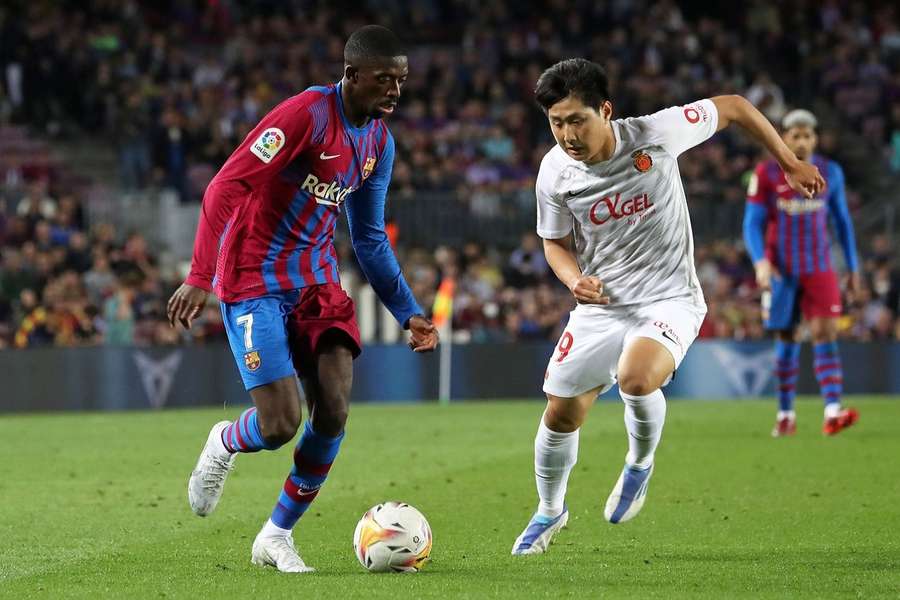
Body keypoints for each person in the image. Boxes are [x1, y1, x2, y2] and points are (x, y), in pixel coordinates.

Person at [511, 58, 824, 555]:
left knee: (636, 377)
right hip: (603, 306)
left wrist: (787, 161)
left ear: (605, 110)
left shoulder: (656, 134)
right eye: (556, 122)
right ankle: (550, 510)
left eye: (577, 120)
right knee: (560, 414)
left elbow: (737, 107)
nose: (567, 134)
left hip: (670, 297)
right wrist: (574, 280)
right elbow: (553, 242)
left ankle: (639, 463)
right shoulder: (554, 172)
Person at [166, 25, 438, 573]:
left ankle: (275, 535)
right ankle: (224, 441)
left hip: (316, 283)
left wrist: (407, 310)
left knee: (333, 411)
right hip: (252, 278)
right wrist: (199, 274)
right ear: (352, 74)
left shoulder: (378, 143)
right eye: (384, 80)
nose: (394, 91)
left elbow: (368, 238)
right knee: (279, 425)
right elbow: (226, 185)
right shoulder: (305, 115)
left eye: (401, 81)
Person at [743, 109, 860, 437]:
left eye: (808, 135)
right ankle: (785, 414)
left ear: (816, 139)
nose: (802, 142)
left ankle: (833, 411)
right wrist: (760, 262)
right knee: (787, 337)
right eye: (795, 135)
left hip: (820, 267)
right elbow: (752, 222)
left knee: (826, 333)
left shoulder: (830, 172)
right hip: (781, 270)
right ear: (783, 137)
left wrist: (853, 267)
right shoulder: (766, 173)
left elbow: (842, 222)